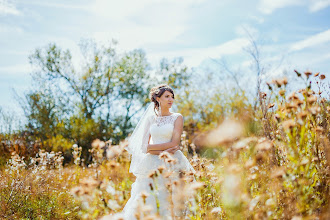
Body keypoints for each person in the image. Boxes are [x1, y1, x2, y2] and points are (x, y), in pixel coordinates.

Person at [123, 84, 195, 220]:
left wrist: (154, 148)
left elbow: (175, 143)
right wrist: (164, 151)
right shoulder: (150, 119)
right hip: (152, 164)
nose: (171, 99)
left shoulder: (177, 117)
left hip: (173, 162)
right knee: (149, 197)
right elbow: (144, 147)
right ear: (158, 98)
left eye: (172, 97)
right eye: (167, 96)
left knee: (173, 198)